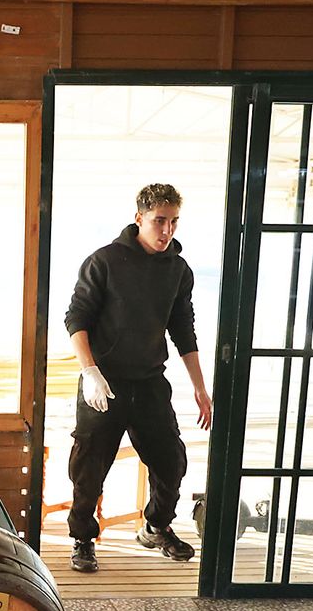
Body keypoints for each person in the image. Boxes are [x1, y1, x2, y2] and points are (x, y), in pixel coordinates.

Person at [63, 183, 212, 574]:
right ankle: (82, 538)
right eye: (159, 221)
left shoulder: (178, 270)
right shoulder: (105, 261)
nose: (167, 230)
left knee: (171, 462)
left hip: (148, 382)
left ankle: (156, 526)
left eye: (174, 222)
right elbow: (76, 319)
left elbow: (183, 329)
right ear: (139, 219)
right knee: (89, 468)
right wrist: (90, 372)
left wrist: (199, 386)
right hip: (103, 382)